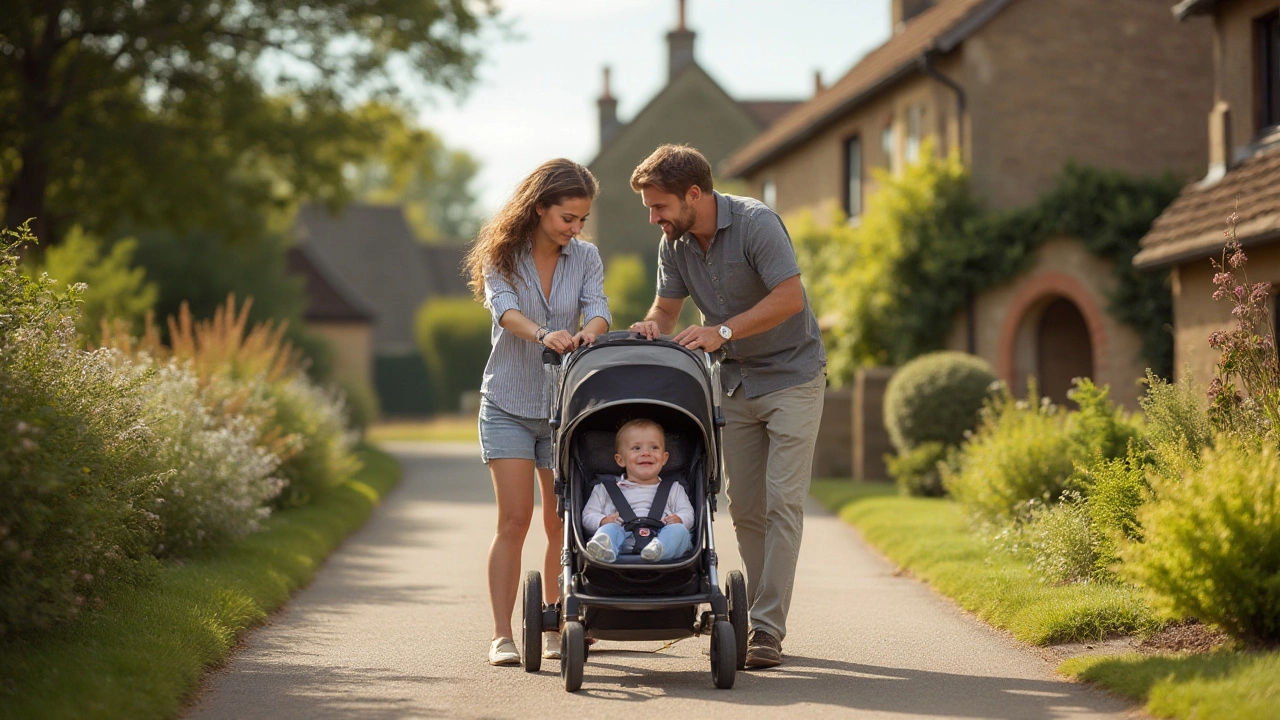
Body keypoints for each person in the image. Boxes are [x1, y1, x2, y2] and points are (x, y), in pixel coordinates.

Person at [628, 144, 826, 669]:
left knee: (784, 501)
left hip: (792, 377)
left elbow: (790, 298)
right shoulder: (674, 244)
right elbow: (666, 310)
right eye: (649, 208)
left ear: (695, 194)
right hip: (735, 384)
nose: (654, 218)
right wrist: (652, 325)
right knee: (744, 508)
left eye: (660, 206)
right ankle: (758, 618)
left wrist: (722, 330)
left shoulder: (758, 224)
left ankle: (765, 629)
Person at [464, 158, 611, 667]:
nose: (575, 228)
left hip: (559, 409)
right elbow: (503, 310)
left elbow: (598, 305)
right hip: (506, 402)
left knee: (560, 521)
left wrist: (590, 330)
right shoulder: (502, 256)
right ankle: (502, 635)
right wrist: (543, 332)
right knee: (514, 519)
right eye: (568, 218)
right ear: (541, 207)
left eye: (581, 220)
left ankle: (554, 621)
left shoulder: (585, 257)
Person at [581, 419, 694, 563]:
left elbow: (688, 514)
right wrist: (602, 521)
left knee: (679, 531)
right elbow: (588, 516)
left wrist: (679, 519)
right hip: (620, 545)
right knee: (609, 529)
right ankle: (604, 547)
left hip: (662, 537)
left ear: (664, 458)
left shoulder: (674, 488)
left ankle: (659, 549)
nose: (646, 453)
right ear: (620, 460)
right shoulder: (605, 489)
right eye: (636, 448)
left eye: (654, 447)